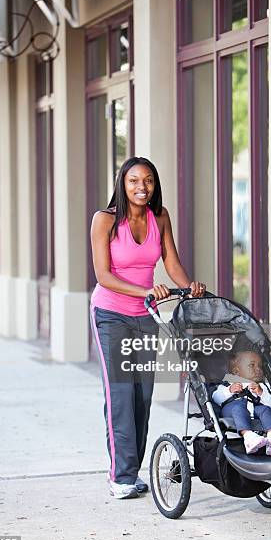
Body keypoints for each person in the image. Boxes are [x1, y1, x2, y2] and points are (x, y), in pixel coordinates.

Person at [90, 156, 206, 499]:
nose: (142, 187)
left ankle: (131, 471)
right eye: (134, 181)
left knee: (143, 395)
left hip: (145, 315)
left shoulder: (160, 217)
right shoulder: (105, 220)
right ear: (122, 185)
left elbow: (171, 261)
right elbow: (103, 276)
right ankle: (121, 476)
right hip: (110, 314)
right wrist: (146, 291)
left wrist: (190, 289)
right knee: (121, 394)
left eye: (148, 181)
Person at [212, 349, 271, 456]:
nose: (258, 369)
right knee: (239, 407)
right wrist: (229, 390)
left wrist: (261, 393)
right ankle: (249, 437)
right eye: (252, 365)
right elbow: (216, 397)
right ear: (236, 372)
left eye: (260, 366)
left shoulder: (260, 385)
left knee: (265, 409)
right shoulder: (229, 382)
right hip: (232, 411)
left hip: (253, 411)